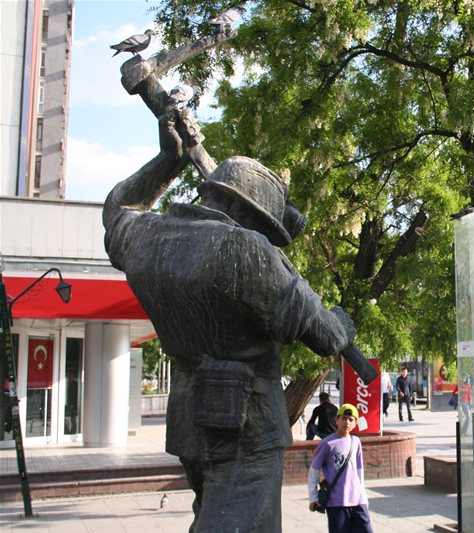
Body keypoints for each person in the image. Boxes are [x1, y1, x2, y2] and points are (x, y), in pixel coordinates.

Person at [103, 109, 361, 533]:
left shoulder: (145, 238)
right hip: (250, 425)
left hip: (189, 419)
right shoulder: (250, 250)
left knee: (215, 515)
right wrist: (341, 322)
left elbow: (118, 208)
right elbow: (328, 337)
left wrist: (169, 158)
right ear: (255, 217)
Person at [308, 403, 373, 533]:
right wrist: (313, 497)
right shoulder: (327, 444)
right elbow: (314, 470)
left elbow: (359, 472)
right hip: (337, 502)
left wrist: (363, 497)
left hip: (357, 501)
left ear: (355, 424)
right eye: (343, 418)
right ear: (336, 420)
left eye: (351, 420)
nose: (347, 423)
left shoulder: (356, 442)